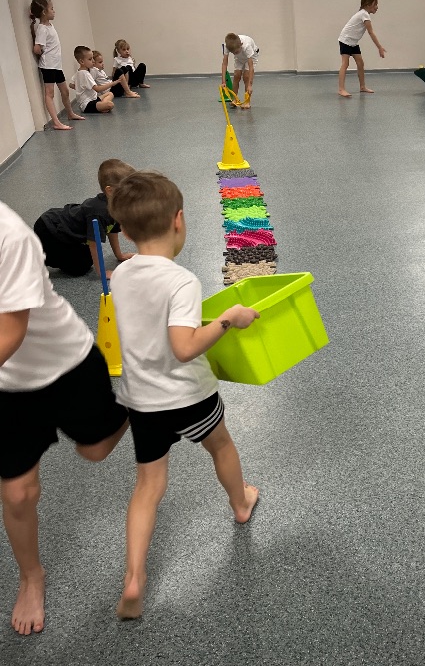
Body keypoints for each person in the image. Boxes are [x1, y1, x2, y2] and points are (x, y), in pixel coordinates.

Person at [108, 170, 260, 619]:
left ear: (126, 230)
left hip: (142, 400)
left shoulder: (121, 274)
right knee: (221, 445)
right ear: (178, 220)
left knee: (148, 486)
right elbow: (184, 346)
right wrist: (229, 318)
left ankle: (134, 576)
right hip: (188, 397)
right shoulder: (182, 281)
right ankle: (241, 503)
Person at [0, 200, 129, 636]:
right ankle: (31, 576)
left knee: (95, 451)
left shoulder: (9, 235)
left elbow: (10, 331)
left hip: (66, 364)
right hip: (8, 387)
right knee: (18, 493)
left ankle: (130, 404)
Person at [33, 158, 136, 278]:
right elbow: (94, 244)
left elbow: (112, 230)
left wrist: (119, 255)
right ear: (110, 191)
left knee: (85, 256)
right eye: (129, 190)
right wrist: (102, 272)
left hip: (64, 229)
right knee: (81, 267)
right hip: (49, 230)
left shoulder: (117, 206)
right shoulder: (99, 213)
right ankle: (36, 256)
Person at [29, 0, 85, 130]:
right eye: (52, 8)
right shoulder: (42, 28)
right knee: (50, 94)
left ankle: (70, 113)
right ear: (44, 12)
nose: (54, 11)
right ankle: (56, 122)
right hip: (48, 66)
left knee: (65, 91)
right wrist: (43, 53)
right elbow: (36, 48)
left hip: (56, 65)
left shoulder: (49, 25)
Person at [338, 0, 386, 97]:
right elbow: (371, 32)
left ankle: (362, 87)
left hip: (353, 42)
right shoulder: (364, 14)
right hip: (346, 40)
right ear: (368, 4)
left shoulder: (363, 14)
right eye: (375, 4)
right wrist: (379, 47)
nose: (377, 7)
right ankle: (341, 89)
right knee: (345, 64)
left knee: (360, 63)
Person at [70, 46, 123, 114]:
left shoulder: (78, 72)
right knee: (110, 105)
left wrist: (80, 88)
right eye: (90, 59)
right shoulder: (85, 74)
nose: (93, 61)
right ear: (82, 61)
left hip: (93, 99)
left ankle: (101, 106)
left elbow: (71, 85)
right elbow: (97, 89)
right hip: (87, 104)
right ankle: (102, 106)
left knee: (110, 94)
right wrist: (112, 84)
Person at [221, 33, 259, 109]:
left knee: (246, 76)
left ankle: (247, 102)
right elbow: (224, 63)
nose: (234, 53)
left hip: (252, 56)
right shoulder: (227, 46)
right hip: (239, 58)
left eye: (236, 52)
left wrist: (250, 85)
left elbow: (251, 67)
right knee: (236, 75)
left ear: (241, 45)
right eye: (233, 53)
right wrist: (223, 81)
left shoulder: (247, 46)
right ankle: (234, 99)